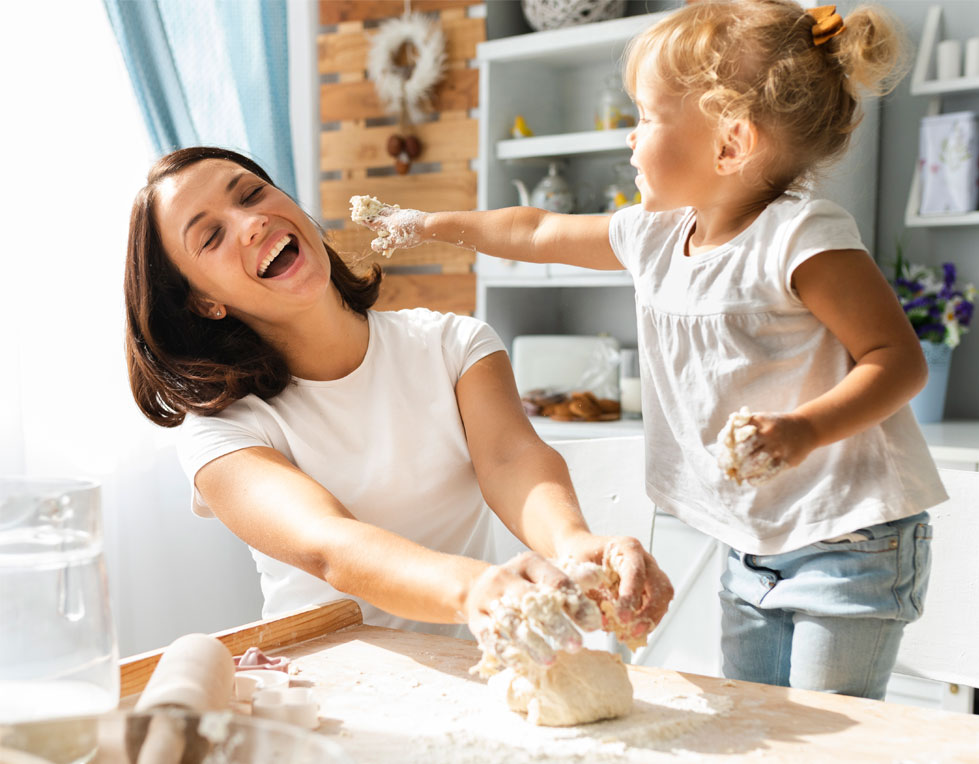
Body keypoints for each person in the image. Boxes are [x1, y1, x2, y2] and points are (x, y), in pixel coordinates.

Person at [356, 1, 947, 699]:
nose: (630, 143)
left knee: (823, 733)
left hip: (850, 537)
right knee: (755, 716)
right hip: (751, 540)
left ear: (730, 144)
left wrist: (804, 429)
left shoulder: (801, 238)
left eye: (647, 119)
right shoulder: (656, 234)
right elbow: (537, 229)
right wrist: (430, 222)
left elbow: (897, 359)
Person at [122, 146, 672, 662]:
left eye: (250, 194)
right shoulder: (220, 432)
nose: (251, 222)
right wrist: (475, 588)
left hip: (476, 671)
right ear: (204, 302)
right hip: (326, 690)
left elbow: (512, 461)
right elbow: (330, 545)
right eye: (211, 236)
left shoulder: (453, 344)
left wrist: (573, 545)